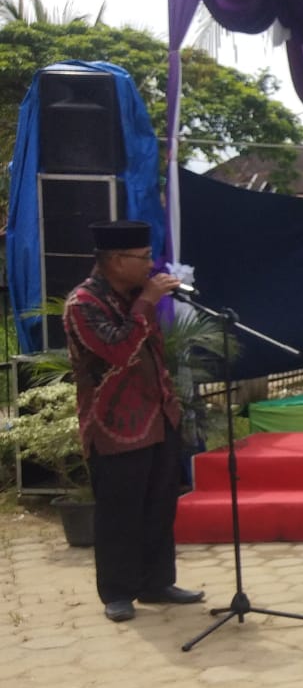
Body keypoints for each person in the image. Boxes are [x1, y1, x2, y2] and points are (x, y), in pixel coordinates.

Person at [63, 220, 204, 622]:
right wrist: (147, 302)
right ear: (115, 260)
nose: (150, 265)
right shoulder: (82, 304)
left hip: (158, 417)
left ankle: (157, 583)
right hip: (115, 426)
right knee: (119, 512)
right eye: (142, 258)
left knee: (160, 507)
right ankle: (118, 592)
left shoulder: (133, 296)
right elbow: (118, 350)